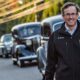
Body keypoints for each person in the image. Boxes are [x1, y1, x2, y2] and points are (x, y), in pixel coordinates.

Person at [45, 2, 80, 80]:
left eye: (73, 14)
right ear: (63, 16)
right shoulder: (55, 36)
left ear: (77, 15)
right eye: (67, 14)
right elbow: (50, 63)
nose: (70, 17)